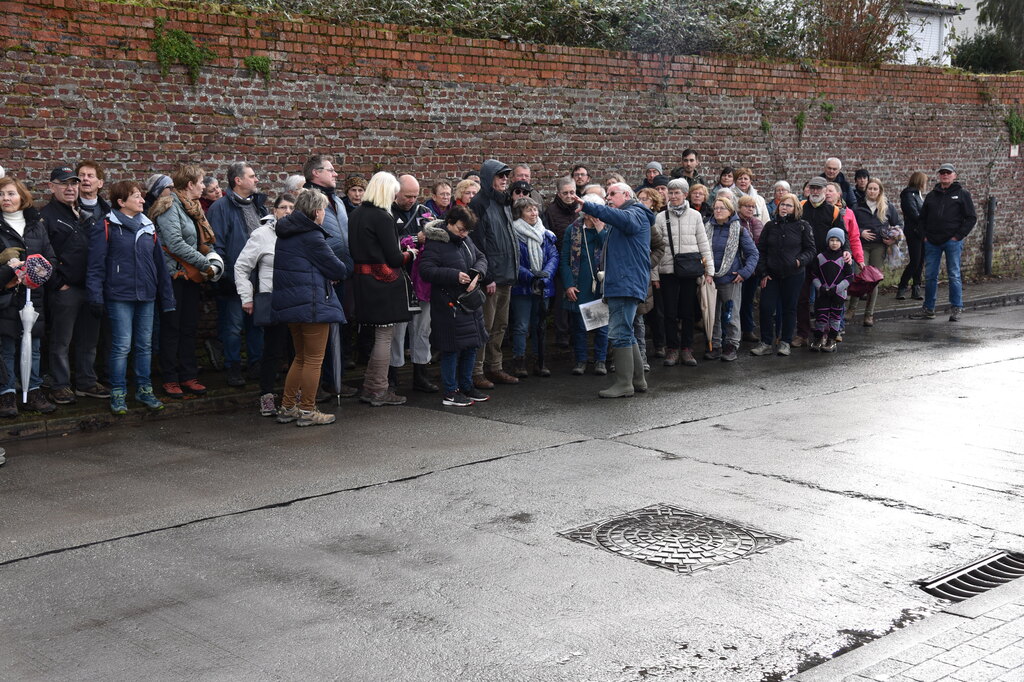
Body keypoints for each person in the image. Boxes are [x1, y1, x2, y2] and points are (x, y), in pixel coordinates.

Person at [87, 180, 175, 414]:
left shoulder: (149, 227)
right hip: (119, 295)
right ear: (121, 202)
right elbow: (96, 266)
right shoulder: (106, 226)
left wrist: (166, 297)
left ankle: (144, 389)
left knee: (144, 345)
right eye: (136, 196)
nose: (142, 200)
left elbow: (160, 266)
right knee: (121, 345)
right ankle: (118, 391)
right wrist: (95, 296)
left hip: (146, 294)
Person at [271, 190, 347, 426]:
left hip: (292, 304)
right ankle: (307, 410)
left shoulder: (286, 233)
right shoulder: (311, 236)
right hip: (313, 303)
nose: (324, 214)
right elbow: (338, 269)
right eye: (323, 209)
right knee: (314, 359)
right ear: (316, 212)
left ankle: (288, 406)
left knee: (301, 357)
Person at [577, 182, 653, 398]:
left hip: (624, 283)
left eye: (612, 194)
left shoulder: (635, 213)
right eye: (607, 194)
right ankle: (637, 380)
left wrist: (590, 206)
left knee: (619, 332)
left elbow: (622, 220)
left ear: (627, 195)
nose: (609, 198)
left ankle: (624, 384)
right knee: (626, 331)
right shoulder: (629, 217)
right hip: (624, 282)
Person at [151, 164, 221, 398]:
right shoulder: (171, 207)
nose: (204, 186)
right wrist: (206, 265)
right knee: (172, 328)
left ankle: (188, 375)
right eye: (201, 182)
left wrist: (210, 256)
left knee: (189, 327)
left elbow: (197, 241)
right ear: (190, 184)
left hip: (191, 277)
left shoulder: (192, 208)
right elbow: (175, 244)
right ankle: (170, 379)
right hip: (176, 276)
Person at [41, 165, 106, 405]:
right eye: (64, 183)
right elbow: (42, 254)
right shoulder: (46, 216)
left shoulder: (83, 214)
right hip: (65, 290)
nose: (70, 188)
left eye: (74, 183)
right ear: (51, 187)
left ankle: (87, 382)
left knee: (89, 340)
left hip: (90, 288)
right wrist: (58, 284)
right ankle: (60, 385)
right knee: (61, 342)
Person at [350, 172, 413, 406]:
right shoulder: (382, 217)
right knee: (384, 337)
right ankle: (378, 389)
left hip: (361, 281)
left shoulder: (356, 214)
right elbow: (395, 258)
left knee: (376, 336)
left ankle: (370, 386)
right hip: (383, 283)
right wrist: (411, 253)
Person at [418, 205, 490, 407]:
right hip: (448, 304)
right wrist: (454, 275)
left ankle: (466, 386)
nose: (464, 233)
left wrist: (477, 274)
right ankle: (451, 391)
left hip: (469, 302)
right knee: (451, 349)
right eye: (460, 228)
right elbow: (426, 270)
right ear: (449, 223)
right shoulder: (436, 242)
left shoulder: (465, 239)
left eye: (467, 230)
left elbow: (481, 257)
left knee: (471, 345)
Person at [0, 177, 58, 416]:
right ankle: (6, 393)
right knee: (7, 348)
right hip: (6, 298)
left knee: (33, 346)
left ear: (22, 196)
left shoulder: (36, 224)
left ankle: (32, 390)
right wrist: (8, 270)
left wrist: (35, 271)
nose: (6, 199)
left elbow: (50, 259)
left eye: (11, 194)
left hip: (33, 297)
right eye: (1, 195)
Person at [207, 162, 269, 387]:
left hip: (259, 279)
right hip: (234, 279)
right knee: (232, 326)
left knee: (257, 325)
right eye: (252, 176)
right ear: (238, 180)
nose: (256, 180)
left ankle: (256, 364)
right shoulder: (221, 208)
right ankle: (233, 367)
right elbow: (216, 245)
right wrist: (227, 277)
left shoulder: (259, 206)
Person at [235, 193, 295, 417]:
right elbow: (241, 267)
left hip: (297, 299)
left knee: (296, 351)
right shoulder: (262, 235)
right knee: (273, 349)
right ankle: (267, 396)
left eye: (291, 207)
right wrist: (247, 296)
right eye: (283, 207)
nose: (287, 211)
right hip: (272, 298)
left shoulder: (300, 234)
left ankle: (294, 396)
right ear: (275, 211)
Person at [469, 159, 519, 388]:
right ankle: (476, 371)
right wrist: (486, 277)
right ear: (490, 178)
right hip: (491, 278)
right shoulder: (480, 204)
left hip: (506, 275)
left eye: (506, 176)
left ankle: (495, 367)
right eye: (500, 176)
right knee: (485, 326)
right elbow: (478, 244)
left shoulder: (504, 203)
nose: (505, 180)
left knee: (500, 325)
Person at [655, 178, 712, 368]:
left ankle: (687, 348)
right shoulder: (661, 217)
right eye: (670, 193)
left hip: (689, 270)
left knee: (688, 311)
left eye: (677, 192)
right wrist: (654, 275)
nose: (673, 196)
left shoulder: (695, 216)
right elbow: (655, 248)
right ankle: (672, 348)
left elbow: (704, 244)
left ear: (685, 194)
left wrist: (709, 270)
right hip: (667, 270)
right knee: (669, 312)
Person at [750, 193, 815, 357]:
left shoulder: (803, 226)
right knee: (766, 307)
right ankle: (765, 342)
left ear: (796, 209)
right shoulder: (770, 226)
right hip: (771, 274)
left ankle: (785, 342)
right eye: (783, 205)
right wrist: (763, 272)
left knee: (789, 308)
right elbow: (761, 250)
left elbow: (810, 250)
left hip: (793, 274)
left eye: (789, 205)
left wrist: (800, 261)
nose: (785, 208)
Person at [390, 174, 437, 393]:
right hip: (397, 279)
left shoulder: (424, 212)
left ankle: (421, 374)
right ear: (396, 192)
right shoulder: (386, 212)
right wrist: (415, 239)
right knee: (397, 331)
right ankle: (393, 375)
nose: (412, 200)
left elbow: (438, 233)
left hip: (422, 281)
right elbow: (387, 244)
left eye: (415, 196)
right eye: (408, 196)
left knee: (422, 330)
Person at [915, 163, 976, 322]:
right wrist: (924, 236)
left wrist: (959, 236)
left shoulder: (962, 194)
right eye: (942, 173)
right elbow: (922, 219)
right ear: (939, 176)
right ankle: (929, 309)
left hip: (952, 241)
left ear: (954, 175)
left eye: (948, 173)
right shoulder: (931, 195)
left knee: (954, 275)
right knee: (930, 276)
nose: (945, 175)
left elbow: (971, 218)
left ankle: (956, 307)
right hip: (932, 241)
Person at [704, 194, 758, 362]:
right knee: (713, 314)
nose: (718, 211)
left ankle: (732, 345)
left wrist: (744, 273)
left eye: (722, 208)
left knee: (730, 314)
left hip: (730, 279)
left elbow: (753, 254)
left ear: (730, 210)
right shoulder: (707, 227)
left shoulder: (739, 229)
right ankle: (716, 345)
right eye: (716, 208)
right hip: (710, 279)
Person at [509, 196, 558, 378]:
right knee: (521, 326)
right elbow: (513, 261)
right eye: (529, 210)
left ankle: (540, 362)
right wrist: (530, 276)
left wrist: (546, 274)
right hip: (522, 287)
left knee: (540, 325)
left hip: (543, 285)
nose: (534, 213)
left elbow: (553, 256)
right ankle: (519, 363)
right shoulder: (513, 234)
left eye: (535, 209)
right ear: (520, 213)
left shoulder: (546, 234)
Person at [560, 195, 609, 375]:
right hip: (579, 283)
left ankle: (600, 360)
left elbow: (610, 251)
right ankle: (581, 360)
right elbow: (565, 259)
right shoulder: (572, 230)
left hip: (601, 284)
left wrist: (600, 230)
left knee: (602, 326)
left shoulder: (607, 227)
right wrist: (568, 285)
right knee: (579, 326)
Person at [794, 176, 844, 347]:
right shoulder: (799, 207)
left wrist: (847, 253)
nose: (815, 191)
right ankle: (803, 334)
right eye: (812, 188)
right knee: (802, 298)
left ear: (825, 190)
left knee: (826, 299)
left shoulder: (834, 211)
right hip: (802, 260)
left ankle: (825, 333)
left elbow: (842, 235)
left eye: (818, 188)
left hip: (825, 263)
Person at [850, 178, 902, 327]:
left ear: (880, 191)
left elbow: (899, 225)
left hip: (879, 246)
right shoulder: (857, 206)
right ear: (866, 190)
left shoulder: (887, 207)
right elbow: (850, 225)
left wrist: (893, 239)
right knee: (859, 276)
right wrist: (860, 232)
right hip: (861, 246)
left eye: (875, 189)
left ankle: (869, 315)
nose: (872, 191)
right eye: (869, 188)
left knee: (874, 279)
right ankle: (851, 309)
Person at [809, 227, 853, 353]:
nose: (834, 243)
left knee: (835, 318)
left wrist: (837, 288)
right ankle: (818, 339)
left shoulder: (845, 259)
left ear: (842, 242)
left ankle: (831, 340)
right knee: (821, 318)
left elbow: (850, 277)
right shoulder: (820, 257)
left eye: (837, 240)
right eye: (832, 240)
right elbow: (814, 275)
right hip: (822, 293)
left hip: (838, 294)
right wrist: (820, 287)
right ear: (827, 241)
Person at [736, 195, 765, 343]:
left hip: (753, 269)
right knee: (735, 301)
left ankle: (747, 329)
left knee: (748, 300)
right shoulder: (735, 222)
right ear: (739, 207)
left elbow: (759, 246)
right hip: (738, 268)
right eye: (747, 206)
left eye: (752, 206)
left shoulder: (757, 223)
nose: (750, 209)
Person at [897, 171, 928, 301]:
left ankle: (916, 287)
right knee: (915, 261)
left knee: (920, 261)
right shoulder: (909, 195)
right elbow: (913, 213)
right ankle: (902, 286)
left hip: (922, 231)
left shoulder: (918, 195)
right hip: (914, 231)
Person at [76, 161, 110, 225]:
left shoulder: (108, 210)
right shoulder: (69, 208)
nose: (85, 178)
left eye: (90, 176)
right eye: (82, 175)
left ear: (100, 183)